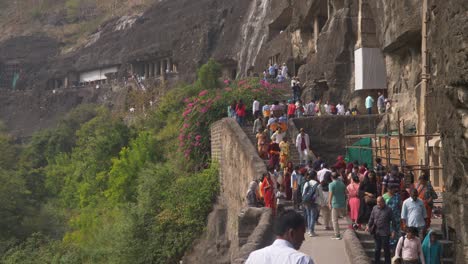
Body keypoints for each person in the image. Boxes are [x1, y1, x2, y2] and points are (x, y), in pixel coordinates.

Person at [245, 210, 315, 264]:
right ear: (292, 233)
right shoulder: (301, 260)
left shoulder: (254, 257)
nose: (303, 239)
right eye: (302, 233)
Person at [366, 196, 396, 264]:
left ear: (383, 202)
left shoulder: (388, 210)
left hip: (385, 233)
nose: (378, 203)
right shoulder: (374, 208)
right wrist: (368, 225)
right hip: (376, 232)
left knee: (386, 249)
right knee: (377, 249)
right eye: (377, 202)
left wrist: (393, 231)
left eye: (380, 202)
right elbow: (371, 218)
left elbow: (393, 221)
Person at [328, 172, 348, 240]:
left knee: (334, 220)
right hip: (342, 203)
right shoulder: (342, 183)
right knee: (345, 216)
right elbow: (346, 192)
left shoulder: (331, 184)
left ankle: (337, 235)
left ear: (331, 177)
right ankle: (353, 225)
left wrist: (329, 203)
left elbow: (331, 194)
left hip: (335, 203)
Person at [302, 171, 321, 237]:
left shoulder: (306, 183)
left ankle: (309, 230)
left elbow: (303, 192)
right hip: (313, 202)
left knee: (308, 215)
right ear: (315, 176)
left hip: (306, 201)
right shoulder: (317, 184)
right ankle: (311, 231)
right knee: (313, 216)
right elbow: (319, 194)